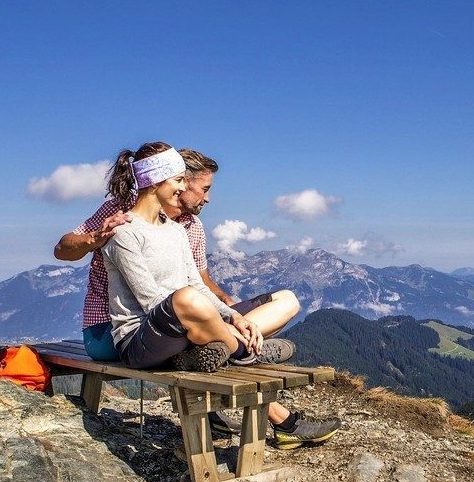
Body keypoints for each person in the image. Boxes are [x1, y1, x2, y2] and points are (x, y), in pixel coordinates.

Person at [96, 142, 340, 449]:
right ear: (156, 182)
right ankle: (243, 352)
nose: (182, 187)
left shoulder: (175, 231)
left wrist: (235, 316)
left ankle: (224, 350)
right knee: (185, 298)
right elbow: (151, 301)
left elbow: (198, 285)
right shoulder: (124, 233)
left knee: (191, 295)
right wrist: (225, 326)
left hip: (183, 329)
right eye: (177, 181)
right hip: (139, 340)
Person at [54, 149, 300, 363]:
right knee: (191, 307)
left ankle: (224, 344)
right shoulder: (120, 214)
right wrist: (93, 238)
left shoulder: (188, 227)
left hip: (179, 315)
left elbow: (201, 283)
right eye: (204, 189)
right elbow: (62, 249)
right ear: (171, 182)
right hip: (111, 329)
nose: (208, 198)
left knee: (286, 300)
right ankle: (241, 350)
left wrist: (232, 311)